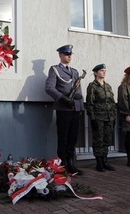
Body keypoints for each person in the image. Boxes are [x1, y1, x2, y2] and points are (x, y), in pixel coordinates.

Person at [45, 44, 84, 175]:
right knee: (63, 137)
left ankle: (71, 163)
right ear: (60, 55)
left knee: (73, 138)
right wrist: (62, 99)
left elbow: (78, 90)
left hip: (75, 109)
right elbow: (49, 88)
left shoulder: (75, 72)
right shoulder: (55, 70)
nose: (69, 56)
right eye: (67, 54)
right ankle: (62, 164)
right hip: (64, 108)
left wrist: (80, 106)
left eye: (70, 54)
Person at [85, 64, 117, 172]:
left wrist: (114, 116)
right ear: (95, 73)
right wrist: (92, 118)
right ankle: (99, 162)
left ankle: (105, 161)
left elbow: (112, 103)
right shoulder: (92, 86)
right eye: (102, 70)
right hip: (98, 117)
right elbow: (89, 103)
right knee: (98, 140)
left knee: (107, 140)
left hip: (109, 117)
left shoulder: (108, 86)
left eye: (105, 70)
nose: (104, 72)